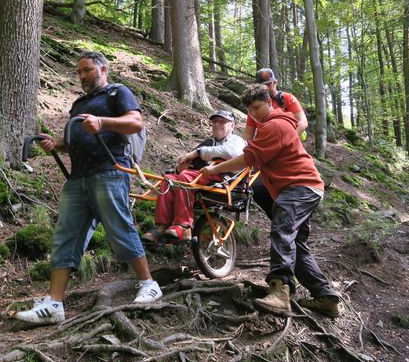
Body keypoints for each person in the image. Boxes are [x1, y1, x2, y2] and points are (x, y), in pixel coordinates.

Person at [14, 51, 162, 325]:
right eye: (79, 72)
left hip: (109, 171)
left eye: (87, 70)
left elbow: (135, 122)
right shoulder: (78, 103)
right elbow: (75, 138)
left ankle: (149, 284)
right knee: (65, 236)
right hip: (77, 177)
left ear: (103, 69)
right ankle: (54, 304)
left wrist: (102, 122)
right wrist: (56, 143)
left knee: (119, 227)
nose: (82, 76)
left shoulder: (117, 93)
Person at [201, 84, 340, 318]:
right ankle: (325, 297)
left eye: (257, 107)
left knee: (282, 230)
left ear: (269, 103)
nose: (254, 114)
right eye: (250, 110)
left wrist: (215, 168)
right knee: (295, 244)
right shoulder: (272, 125)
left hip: (301, 186)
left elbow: (249, 159)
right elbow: (254, 159)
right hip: (302, 188)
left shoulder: (275, 125)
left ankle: (280, 290)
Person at [142, 109, 246, 242]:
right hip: (203, 176)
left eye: (222, 121)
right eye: (215, 121)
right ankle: (161, 226)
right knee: (169, 180)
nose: (217, 124)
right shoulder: (209, 142)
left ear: (232, 125)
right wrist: (179, 167)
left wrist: (198, 153)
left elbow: (232, 153)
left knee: (185, 177)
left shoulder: (236, 140)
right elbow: (187, 160)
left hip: (225, 178)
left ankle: (184, 225)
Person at [243, 68, 308, 220]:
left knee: (292, 187)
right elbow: (248, 134)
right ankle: (278, 219)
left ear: (275, 83)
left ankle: (290, 221)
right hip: (265, 152)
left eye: (269, 84)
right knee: (257, 187)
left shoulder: (287, 98)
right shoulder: (255, 108)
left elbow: (302, 122)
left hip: (288, 152)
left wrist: (286, 140)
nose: (266, 88)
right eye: (262, 85)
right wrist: (246, 151)